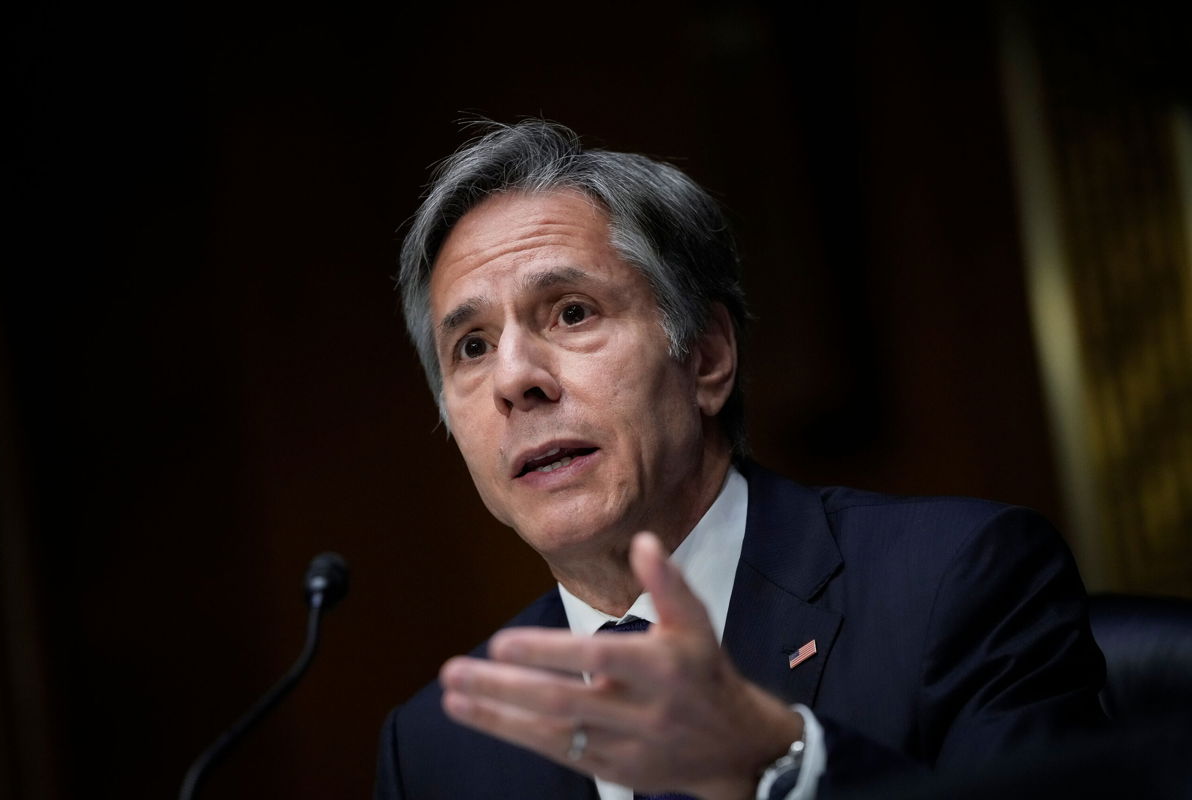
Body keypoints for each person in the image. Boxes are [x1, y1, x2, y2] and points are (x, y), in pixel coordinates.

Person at [375, 120, 1106, 800]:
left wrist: (776, 762)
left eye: (571, 312)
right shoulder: (441, 745)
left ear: (707, 357)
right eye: (471, 347)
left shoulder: (958, 584)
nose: (513, 380)